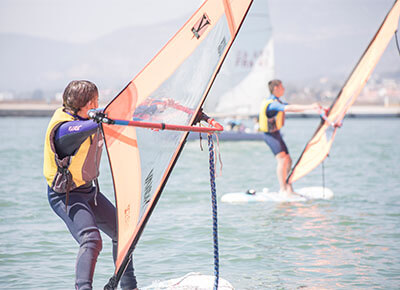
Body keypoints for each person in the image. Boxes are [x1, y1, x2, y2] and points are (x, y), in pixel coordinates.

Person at [43, 80, 138, 290]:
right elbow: (78, 129)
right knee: (91, 239)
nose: (98, 103)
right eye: (96, 100)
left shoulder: (88, 116)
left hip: (88, 191)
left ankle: (130, 287)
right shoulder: (65, 130)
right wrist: (102, 121)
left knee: (125, 234)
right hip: (64, 195)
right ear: (88, 103)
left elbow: (118, 113)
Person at [259, 79, 322, 196]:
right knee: (282, 160)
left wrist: (313, 108)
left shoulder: (278, 101)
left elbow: (292, 107)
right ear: (276, 88)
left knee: (288, 160)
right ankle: (283, 189)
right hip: (270, 136)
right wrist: (310, 107)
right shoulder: (272, 104)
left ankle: (289, 189)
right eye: (282, 87)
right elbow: (289, 109)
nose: (284, 89)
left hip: (276, 134)